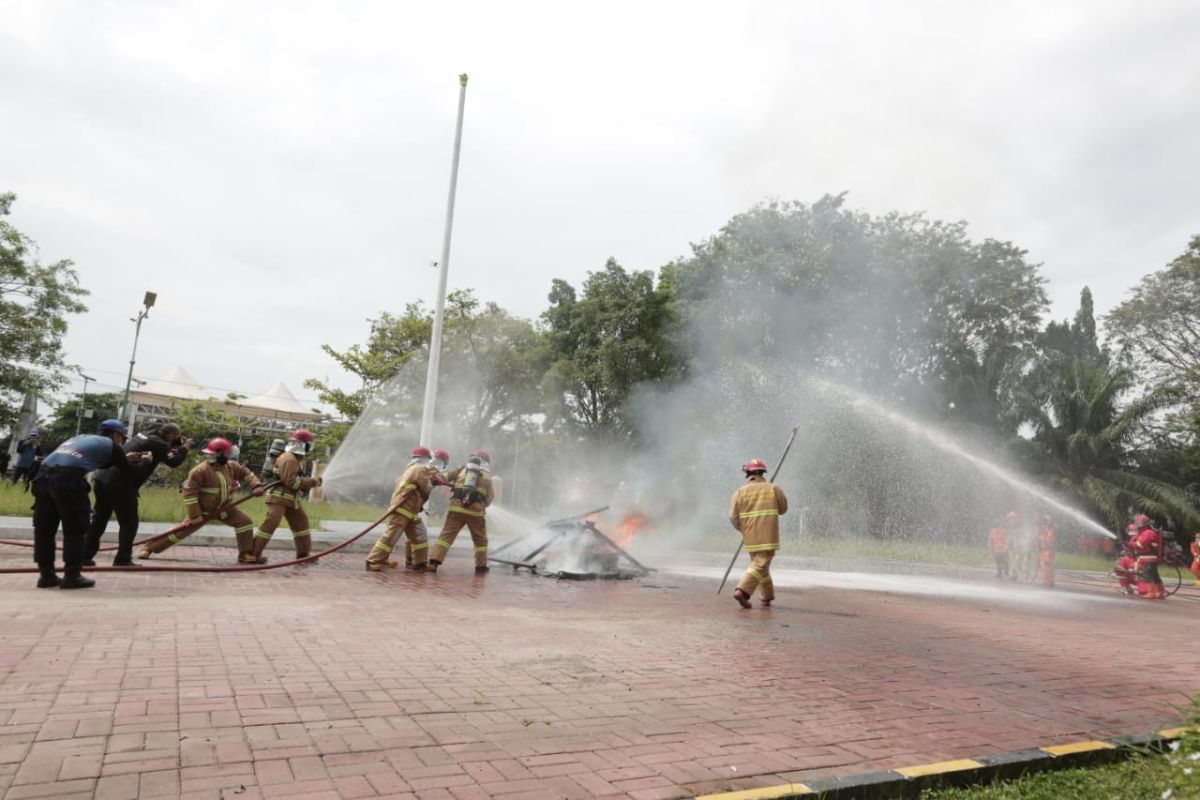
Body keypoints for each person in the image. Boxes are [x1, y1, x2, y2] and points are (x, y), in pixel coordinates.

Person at [32, 419, 147, 590]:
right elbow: (129, 471)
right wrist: (146, 461)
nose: (122, 442)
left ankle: (46, 576)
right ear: (116, 435)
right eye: (122, 439)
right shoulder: (112, 445)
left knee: (44, 530)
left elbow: (98, 461)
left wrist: (124, 457)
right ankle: (72, 576)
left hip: (42, 476)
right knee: (76, 529)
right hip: (68, 479)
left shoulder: (81, 438)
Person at [137, 437, 264, 560]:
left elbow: (246, 473)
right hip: (203, 511)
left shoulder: (229, 466)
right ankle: (149, 548)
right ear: (219, 454)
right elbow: (189, 494)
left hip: (225, 508)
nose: (229, 456)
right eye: (227, 453)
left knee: (245, 522)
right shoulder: (199, 471)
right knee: (180, 531)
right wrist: (195, 515)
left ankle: (245, 554)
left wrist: (256, 485)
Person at [84, 422, 192, 567]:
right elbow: (174, 462)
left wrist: (175, 445)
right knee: (129, 523)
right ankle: (123, 559)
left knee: (99, 519)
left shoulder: (147, 434)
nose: (176, 441)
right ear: (170, 436)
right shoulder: (159, 443)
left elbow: (166, 451)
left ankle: (84, 556)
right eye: (176, 438)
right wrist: (185, 448)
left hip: (102, 478)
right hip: (120, 483)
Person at [248, 429, 320, 563]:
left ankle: (303, 554)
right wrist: (312, 482)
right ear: (302, 444)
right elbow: (292, 482)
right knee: (270, 525)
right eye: (309, 443)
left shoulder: (296, 458)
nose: (310, 447)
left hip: (291, 499)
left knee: (301, 524)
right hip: (279, 498)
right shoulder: (289, 458)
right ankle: (253, 554)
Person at [365, 446, 441, 572]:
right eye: (428, 459)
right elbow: (425, 489)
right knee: (391, 535)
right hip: (402, 509)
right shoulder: (419, 469)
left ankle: (419, 563)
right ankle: (373, 561)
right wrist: (433, 483)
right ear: (424, 459)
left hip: (410, 510)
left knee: (420, 534)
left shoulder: (412, 469)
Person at [729, 458, 789, 609]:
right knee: (760, 564)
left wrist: (742, 529)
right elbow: (783, 509)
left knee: (760, 566)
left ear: (747, 474)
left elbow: (733, 517)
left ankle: (767, 596)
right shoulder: (774, 488)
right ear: (763, 473)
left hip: (750, 537)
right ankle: (742, 591)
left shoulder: (739, 492)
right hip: (768, 536)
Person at [429, 450, 496, 574]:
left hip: (456, 509)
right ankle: (481, 566)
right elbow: (489, 498)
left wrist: (435, 479)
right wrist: (481, 505)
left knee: (446, 536)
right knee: (480, 540)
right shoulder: (487, 477)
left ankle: (434, 562)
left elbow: (444, 476)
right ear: (486, 462)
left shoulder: (462, 470)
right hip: (475, 512)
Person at [1128, 514, 1165, 600]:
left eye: (1139, 523)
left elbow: (1140, 545)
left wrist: (1130, 544)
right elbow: (1136, 541)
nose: (1137, 524)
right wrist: (1130, 542)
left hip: (1149, 557)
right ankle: (1160, 592)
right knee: (1155, 576)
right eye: (1137, 522)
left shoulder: (1148, 533)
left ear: (1144, 524)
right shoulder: (1142, 533)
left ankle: (1151, 593)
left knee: (1147, 575)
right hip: (1147, 557)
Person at [1116, 523, 1140, 595]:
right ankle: (1127, 588)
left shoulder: (1135, 538)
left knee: (1119, 570)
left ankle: (1127, 588)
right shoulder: (1140, 536)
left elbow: (1132, 545)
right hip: (1139, 577)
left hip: (1140, 578)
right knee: (1119, 569)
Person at [989, 513, 1012, 579]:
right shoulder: (999, 531)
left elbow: (991, 540)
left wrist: (991, 547)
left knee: (1002, 562)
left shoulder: (1000, 531)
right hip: (999, 550)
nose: (998, 525)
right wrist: (991, 547)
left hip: (1001, 549)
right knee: (1001, 562)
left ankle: (1004, 573)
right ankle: (1001, 573)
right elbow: (991, 540)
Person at [1035, 516, 1056, 588]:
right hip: (1044, 551)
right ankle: (1047, 581)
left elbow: (1049, 541)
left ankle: (1047, 582)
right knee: (1044, 566)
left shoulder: (1049, 531)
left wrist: (1042, 542)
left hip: (1047, 551)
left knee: (1047, 566)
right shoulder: (1045, 530)